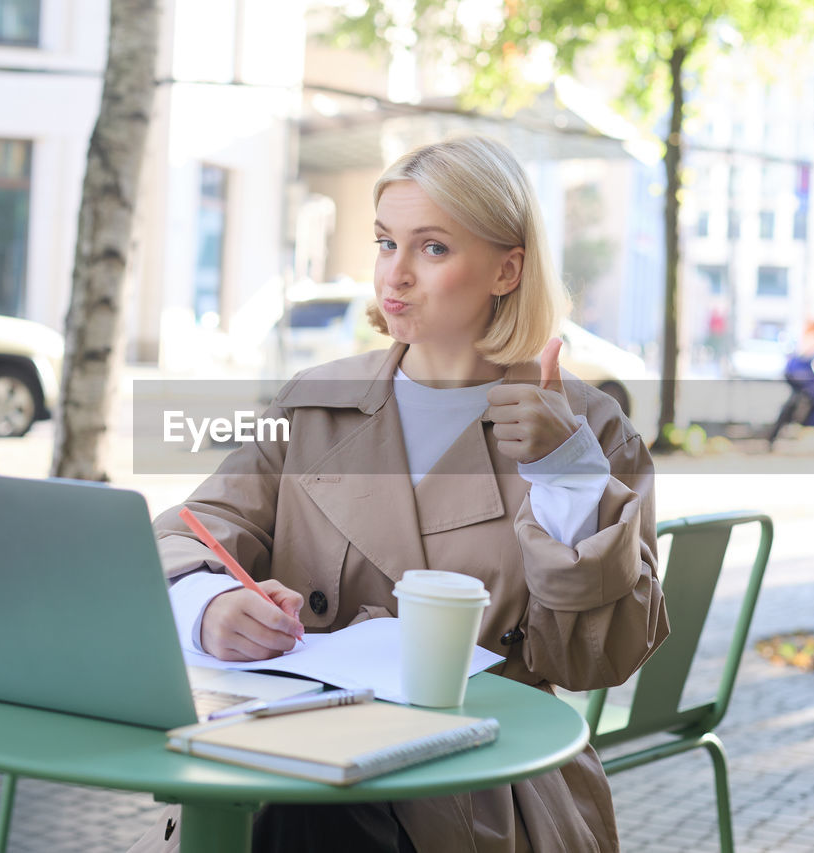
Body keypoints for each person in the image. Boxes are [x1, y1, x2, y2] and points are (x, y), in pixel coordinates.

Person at [132, 136, 668, 852]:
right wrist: (212, 609)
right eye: (386, 243)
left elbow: (595, 660)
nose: (397, 274)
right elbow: (191, 534)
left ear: (508, 268)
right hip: (294, 750)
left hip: (487, 781)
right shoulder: (317, 402)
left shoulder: (590, 430)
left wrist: (564, 470)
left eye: (434, 248)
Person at [766, 321, 814, 450]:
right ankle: (807, 422)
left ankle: (779, 432)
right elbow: (812, 360)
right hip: (800, 373)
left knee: (798, 401)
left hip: (798, 373)